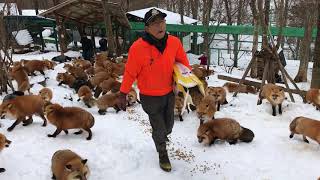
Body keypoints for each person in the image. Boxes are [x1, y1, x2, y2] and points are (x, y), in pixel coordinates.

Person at [117, 8, 191, 172]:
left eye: (162, 22)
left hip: (169, 93)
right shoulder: (137, 48)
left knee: (169, 126)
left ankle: (161, 136)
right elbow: (130, 72)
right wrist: (123, 93)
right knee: (159, 128)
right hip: (150, 97)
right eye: (155, 23)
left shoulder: (174, 43)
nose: (160, 26)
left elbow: (183, 64)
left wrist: (185, 81)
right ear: (147, 28)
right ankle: (162, 153)